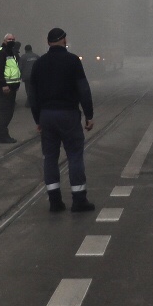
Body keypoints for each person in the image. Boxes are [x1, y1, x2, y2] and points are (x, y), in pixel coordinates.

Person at [29, 27, 94, 212]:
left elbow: (32, 95)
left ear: (48, 42)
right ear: (64, 40)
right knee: (74, 156)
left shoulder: (39, 63)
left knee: (50, 157)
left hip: (47, 115)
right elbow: (83, 89)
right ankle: (79, 200)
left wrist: (38, 119)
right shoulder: (72, 61)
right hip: (68, 114)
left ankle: (55, 201)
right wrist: (89, 115)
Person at [0, 33, 23, 143]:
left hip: (12, 87)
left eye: (13, 39)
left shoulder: (11, 52)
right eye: (9, 39)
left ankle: (4, 134)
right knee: (5, 111)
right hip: (6, 88)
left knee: (9, 112)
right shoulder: (2, 52)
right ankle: (2, 135)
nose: (11, 41)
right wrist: (3, 85)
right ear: (4, 40)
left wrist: (16, 84)